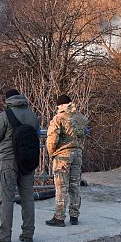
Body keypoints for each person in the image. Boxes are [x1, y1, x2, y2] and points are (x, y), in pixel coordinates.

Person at [0, 89, 40, 242]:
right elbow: (36, 135)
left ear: (7, 100)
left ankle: (4, 237)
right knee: (28, 197)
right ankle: (28, 234)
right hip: (28, 160)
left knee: (7, 199)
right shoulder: (32, 115)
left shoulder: (6, 115)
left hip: (9, 161)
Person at [45, 94, 88, 227]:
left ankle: (59, 217)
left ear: (59, 105)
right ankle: (74, 216)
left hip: (63, 155)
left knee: (61, 187)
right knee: (75, 185)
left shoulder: (59, 118)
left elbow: (52, 139)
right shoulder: (80, 117)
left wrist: (52, 153)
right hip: (77, 153)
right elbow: (84, 133)